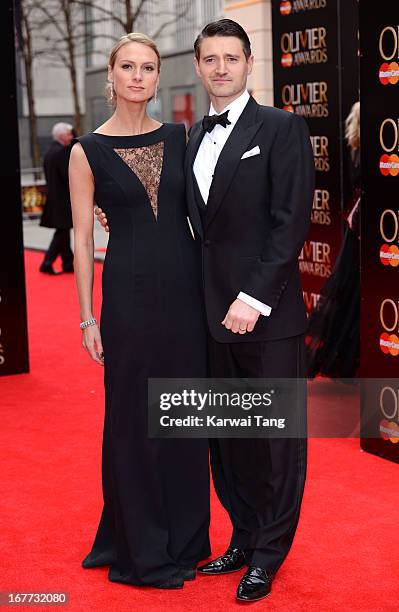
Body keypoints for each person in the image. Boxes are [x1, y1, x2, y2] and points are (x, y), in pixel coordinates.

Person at [97, 20, 315, 602]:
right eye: (210, 58)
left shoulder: (282, 127)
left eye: (232, 58)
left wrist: (254, 298)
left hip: (266, 316)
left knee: (274, 442)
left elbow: (290, 222)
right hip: (206, 316)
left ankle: (269, 554)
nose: (221, 68)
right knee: (229, 440)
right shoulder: (187, 138)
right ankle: (243, 536)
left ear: (249, 64)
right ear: (196, 66)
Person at [69, 33, 210, 590]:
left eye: (148, 68)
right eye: (127, 66)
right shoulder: (87, 151)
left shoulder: (182, 137)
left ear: (158, 77)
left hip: (185, 298)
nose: (137, 76)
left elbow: (207, 210)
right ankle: (142, 544)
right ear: (111, 73)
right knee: (133, 422)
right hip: (125, 300)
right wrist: (87, 318)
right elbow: (81, 239)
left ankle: (185, 538)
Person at [306, 101, 361, 379]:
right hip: (361, 226)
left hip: (356, 224)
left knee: (351, 293)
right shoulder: (361, 150)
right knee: (353, 293)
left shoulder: (355, 146)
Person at [40, 122, 74, 274]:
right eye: (69, 134)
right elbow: (68, 177)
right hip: (63, 200)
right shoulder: (62, 152)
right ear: (61, 136)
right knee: (61, 233)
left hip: (54, 199)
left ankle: (68, 263)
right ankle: (47, 261)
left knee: (63, 231)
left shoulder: (49, 152)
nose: (71, 136)